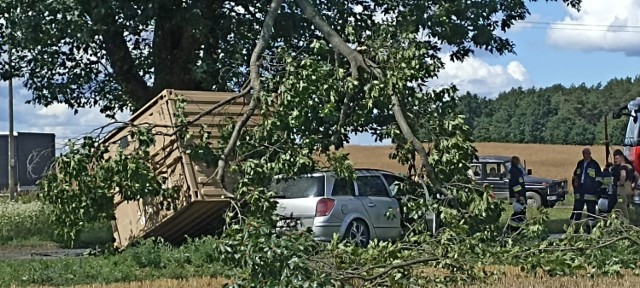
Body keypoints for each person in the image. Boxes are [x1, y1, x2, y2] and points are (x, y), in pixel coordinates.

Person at [570, 147, 602, 231]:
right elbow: (575, 175)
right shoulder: (580, 163)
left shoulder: (594, 164)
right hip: (580, 192)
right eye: (583, 154)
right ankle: (575, 229)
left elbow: (599, 178)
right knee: (577, 211)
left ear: (590, 154)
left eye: (587, 153)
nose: (585, 155)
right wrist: (575, 183)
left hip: (591, 193)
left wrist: (595, 188)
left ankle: (591, 229)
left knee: (591, 212)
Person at [611, 149, 635, 220]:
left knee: (622, 206)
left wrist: (620, 183)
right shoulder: (629, 166)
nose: (615, 160)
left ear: (622, 157)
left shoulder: (622, 167)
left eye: (617, 158)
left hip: (622, 190)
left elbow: (623, 175)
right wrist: (634, 185)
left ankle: (626, 224)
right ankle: (615, 220)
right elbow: (636, 176)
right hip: (629, 189)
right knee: (618, 207)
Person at [506, 156, 527, 233]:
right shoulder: (514, 171)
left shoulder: (517, 171)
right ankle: (515, 229)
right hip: (517, 196)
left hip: (520, 195)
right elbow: (514, 184)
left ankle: (518, 228)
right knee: (519, 213)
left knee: (521, 212)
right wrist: (518, 195)